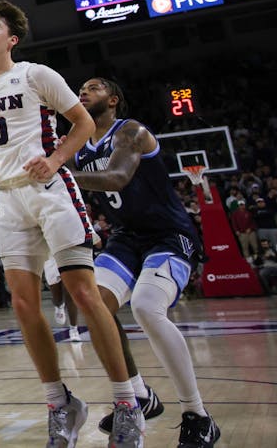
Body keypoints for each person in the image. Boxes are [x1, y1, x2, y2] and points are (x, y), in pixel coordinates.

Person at [0, 0, 137, 447]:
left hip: (51, 192)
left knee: (83, 293)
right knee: (21, 304)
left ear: (11, 39)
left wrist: (55, 159)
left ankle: (127, 402)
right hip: (9, 198)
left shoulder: (37, 74)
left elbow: (84, 122)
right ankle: (60, 402)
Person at [70, 77, 219, 447]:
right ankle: (139, 395)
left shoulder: (130, 131)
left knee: (147, 307)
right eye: (80, 89)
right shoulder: (77, 145)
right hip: (125, 237)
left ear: (114, 99)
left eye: (93, 87)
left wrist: (58, 172)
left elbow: (117, 177)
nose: (83, 92)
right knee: (93, 303)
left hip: (168, 234)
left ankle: (197, 415)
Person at [44, 261, 81, 342]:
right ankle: (59, 305)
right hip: (50, 257)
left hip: (66, 255)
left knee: (70, 293)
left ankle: (74, 329)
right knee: (57, 297)